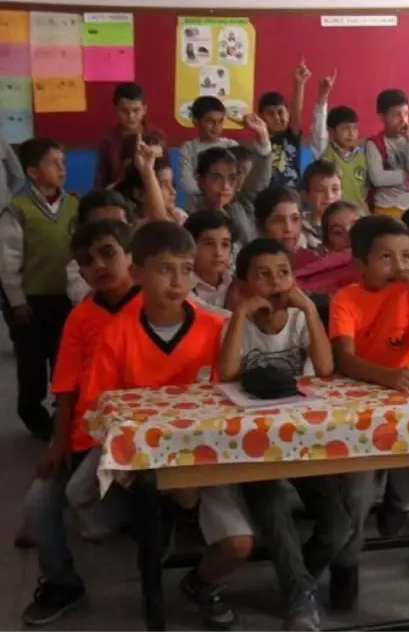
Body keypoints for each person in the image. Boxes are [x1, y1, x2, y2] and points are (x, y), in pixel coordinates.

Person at [79, 222, 254, 629]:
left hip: (206, 455)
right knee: (84, 499)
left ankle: (201, 582)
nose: (178, 282)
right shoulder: (115, 334)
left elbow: (233, 395)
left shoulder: (216, 327)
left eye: (186, 269)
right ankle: (160, 530)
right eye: (164, 270)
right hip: (143, 460)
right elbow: (97, 409)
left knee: (239, 544)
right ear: (136, 272)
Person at [217, 237, 344, 632]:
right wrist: (239, 316)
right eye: (262, 276)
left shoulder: (300, 317)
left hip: (304, 437)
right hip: (254, 443)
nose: (275, 283)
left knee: (338, 525)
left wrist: (307, 307)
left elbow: (324, 369)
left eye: (283, 273)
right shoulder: (234, 322)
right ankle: (299, 596)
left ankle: (297, 579)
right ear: (242, 285)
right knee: (273, 510)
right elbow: (227, 376)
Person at [20, 220, 143, 626]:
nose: (98, 265)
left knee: (86, 497)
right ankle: (62, 583)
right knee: (38, 504)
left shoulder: (153, 304)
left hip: (135, 432)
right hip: (82, 433)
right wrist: (57, 443)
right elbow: (66, 386)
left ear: (129, 256)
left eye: (108, 252)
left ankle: (137, 524)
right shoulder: (81, 316)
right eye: (86, 261)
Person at [327, 216, 409, 609]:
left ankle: (397, 505)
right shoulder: (346, 299)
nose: (398, 266)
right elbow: (345, 360)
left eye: (406, 256)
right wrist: (388, 376)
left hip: (408, 406)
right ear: (360, 264)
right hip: (358, 408)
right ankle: (347, 562)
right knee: (356, 495)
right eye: (386, 258)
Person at [0, 138, 78, 440]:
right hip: (30, 303)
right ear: (32, 172)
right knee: (32, 364)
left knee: (64, 362)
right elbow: (8, 262)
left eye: (63, 161)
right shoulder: (16, 210)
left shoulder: (74, 204)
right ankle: (33, 415)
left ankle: (64, 413)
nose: (61, 168)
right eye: (52, 162)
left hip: (66, 300)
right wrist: (17, 302)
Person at [178, 96, 271, 211]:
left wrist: (262, 135)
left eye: (220, 121)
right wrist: (217, 190)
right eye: (210, 121)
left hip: (228, 208)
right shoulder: (188, 148)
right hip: (197, 210)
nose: (216, 127)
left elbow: (247, 179)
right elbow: (186, 183)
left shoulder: (230, 145)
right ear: (196, 122)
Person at [310, 72, 369, 214]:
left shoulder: (363, 158)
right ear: (330, 131)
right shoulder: (325, 152)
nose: (351, 133)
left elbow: (367, 191)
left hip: (359, 216)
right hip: (333, 215)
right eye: (344, 128)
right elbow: (318, 128)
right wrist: (323, 97)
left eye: (354, 128)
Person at [64, 189, 135, 304]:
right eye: (99, 227)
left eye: (118, 225)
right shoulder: (77, 266)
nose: (98, 265)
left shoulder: (146, 256)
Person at [366, 89, 409, 217]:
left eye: (406, 114)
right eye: (396, 115)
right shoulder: (373, 143)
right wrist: (408, 175)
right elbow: (377, 179)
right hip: (386, 205)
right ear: (382, 116)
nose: (403, 120)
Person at [94, 82, 159, 189]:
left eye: (136, 110)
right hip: (118, 196)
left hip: (152, 194)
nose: (131, 116)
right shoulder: (108, 140)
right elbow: (101, 178)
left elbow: (165, 173)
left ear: (144, 110)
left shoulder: (156, 136)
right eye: (124, 111)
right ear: (115, 110)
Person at [261, 62, 311, 189]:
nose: (277, 117)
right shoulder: (261, 143)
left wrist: (299, 84)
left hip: (293, 193)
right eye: (270, 114)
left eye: (280, 112)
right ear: (261, 118)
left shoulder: (291, 137)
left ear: (288, 115)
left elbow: (297, 110)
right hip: (269, 195)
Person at [195, 147, 260, 245]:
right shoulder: (189, 215)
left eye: (232, 178)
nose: (225, 186)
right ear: (201, 181)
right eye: (216, 178)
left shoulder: (237, 210)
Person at [184, 209, 238, 312]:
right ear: (191, 246)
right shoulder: (182, 285)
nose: (218, 253)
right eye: (209, 244)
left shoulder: (236, 283)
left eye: (225, 244)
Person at [300, 160, 342, 250]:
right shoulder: (300, 230)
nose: (329, 196)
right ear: (306, 195)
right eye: (320, 190)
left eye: (335, 189)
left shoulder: (350, 227)